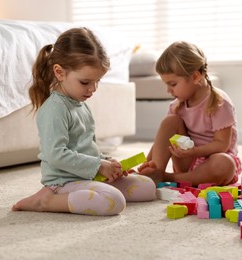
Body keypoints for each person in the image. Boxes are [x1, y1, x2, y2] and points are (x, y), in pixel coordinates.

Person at [12, 28, 156, 216]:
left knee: (147, 187)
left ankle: (97, 187)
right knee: (114, 201)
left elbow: (87, 147)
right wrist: (98, 165)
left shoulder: (80, 104)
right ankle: (46, 200)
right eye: (85, 82)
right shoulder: (54, 109)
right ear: (59, 72)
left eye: (97, 81)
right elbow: (55, 155)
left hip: (89, 175)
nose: (93, 88)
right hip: (64, 181)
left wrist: (107, 162)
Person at [138, 41, 242, 187]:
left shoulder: (219, 102)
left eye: (173, 84)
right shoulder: (176, 106)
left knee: (224, 163)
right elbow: (162, 140)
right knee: (169, 122)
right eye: (166, 84)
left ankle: (170, 178)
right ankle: (156, 173)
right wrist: (148, 165)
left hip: (214, 163)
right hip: (187, 160)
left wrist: (194, 151)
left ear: (195, 77)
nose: (168, 90)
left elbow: (222, 145)